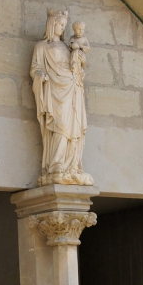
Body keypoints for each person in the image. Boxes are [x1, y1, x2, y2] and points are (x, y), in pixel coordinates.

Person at [30, 9, 93, 185]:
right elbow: (35, 67)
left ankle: (71, 165)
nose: (62, 28)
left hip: (72, 86)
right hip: (54, 89)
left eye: (64, 25)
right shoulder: (42, 46)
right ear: (51, 24)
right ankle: (56, 163)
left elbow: (78, 66)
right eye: (59, 24)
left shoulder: (68, 47)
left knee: (74, 126)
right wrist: (40, 74)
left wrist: (80, 61)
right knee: (60, 125)